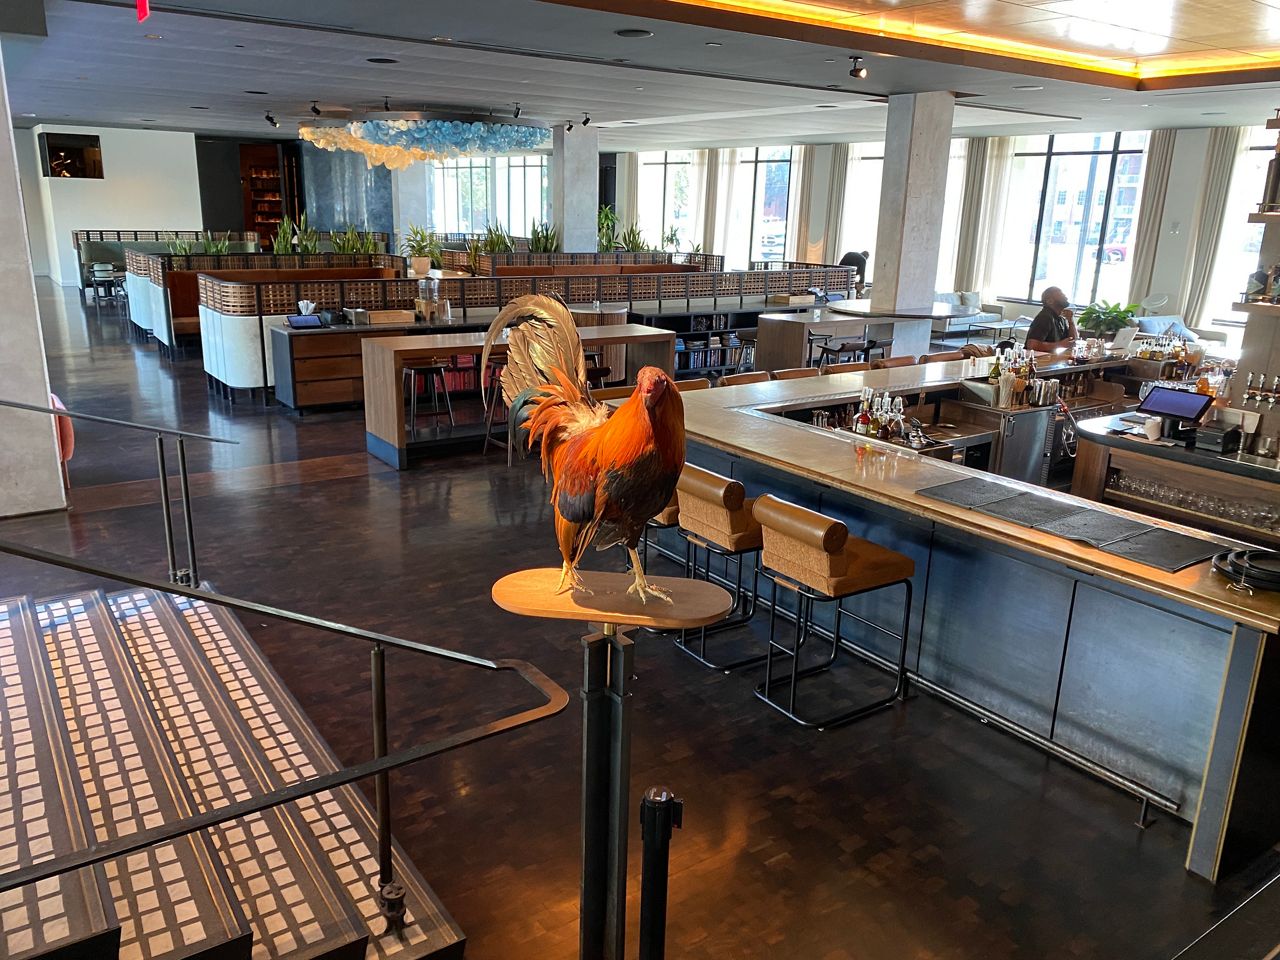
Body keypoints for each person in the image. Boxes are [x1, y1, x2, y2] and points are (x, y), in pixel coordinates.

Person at [1025, 286, 1078, 353]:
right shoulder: (1044, 317)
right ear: (1050, 301)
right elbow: (1032, 345)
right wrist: (1060, 344)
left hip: (1051, 359)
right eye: (1060, 295)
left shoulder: (1061, 318)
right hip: (1038, 361)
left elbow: (1072, 341)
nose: (1065, 297)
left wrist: (1071, 321)